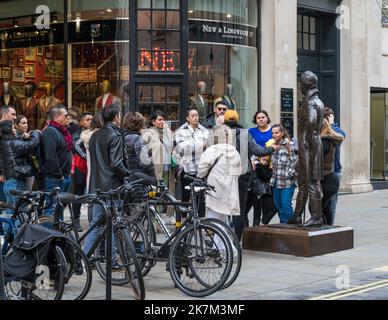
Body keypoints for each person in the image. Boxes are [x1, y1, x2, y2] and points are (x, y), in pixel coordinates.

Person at [83, 104, 131, 256]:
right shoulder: (115, 136)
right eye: (120, 115)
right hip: (111, 186)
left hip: (97, 184)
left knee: (96, 223)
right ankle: (111, 259)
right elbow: (116, 163)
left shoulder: (95, 135)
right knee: (113, 223)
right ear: (116, 117)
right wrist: (128, 174)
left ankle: (85, 257)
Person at [223, 110, 277, 241]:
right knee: (240, 208)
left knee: (224, 207)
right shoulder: (244, 134)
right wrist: (272, 148)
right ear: (236, 120)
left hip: (225, 174)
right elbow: (258, 151)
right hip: (243, 174)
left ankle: (221, 240)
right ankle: (237, 240)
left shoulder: (220, 133)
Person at [288, 71, 325, 228]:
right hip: (310, 144)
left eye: (302, 83)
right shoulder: (316, 100)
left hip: (309, 145)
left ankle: (316, 217)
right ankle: (297, 215)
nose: (300, 86)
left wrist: (307, 143)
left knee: (311, 181)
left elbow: (311, 121)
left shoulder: (310, 103)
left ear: (308, 85)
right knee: (303, 181)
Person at [197, 125, 242, 254]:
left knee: (214, 220)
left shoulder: (211, 151)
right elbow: (238, 171)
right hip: (230, 191)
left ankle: (227, 249)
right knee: (223, 220)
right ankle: (220, 247)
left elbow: (201, 171)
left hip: (214, 189)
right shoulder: (234, 151)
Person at [174, 108, 209, 217]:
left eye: (197, 115)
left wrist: (193, 145)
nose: (195, 117)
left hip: (201, 168)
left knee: (200, 196)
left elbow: (208, 145)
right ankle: (183, 221)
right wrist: (199, 145)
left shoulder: (204, 130)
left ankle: (201, 220)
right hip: (187, 167)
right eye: (193, 116)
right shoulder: (181, 131)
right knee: (185, 195)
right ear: (187, 118)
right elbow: (181, 147)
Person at [0, 120, 40, 211]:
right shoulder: (13, 143)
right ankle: (19, 226)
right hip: (16, 182)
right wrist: (35, 133)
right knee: (20, 212)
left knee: (10, 212)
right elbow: (32, 145)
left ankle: (9, 226)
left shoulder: (4, 142)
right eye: (13, 128)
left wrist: (22, 136)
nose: (15, 130)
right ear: (8, 130)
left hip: (8, 182)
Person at [40, 105, 73, 218]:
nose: (68, 118)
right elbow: (51, 156)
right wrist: (58, 175)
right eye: (66, 116)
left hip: (65, 176)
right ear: (58, 117)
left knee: (59, 209)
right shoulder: (50, 132)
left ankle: (59, 234)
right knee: (52, 209)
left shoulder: (63, 132)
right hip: (55, 178)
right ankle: (49, 235)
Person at [270, 125, 298, 224]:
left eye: (276, 133)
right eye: (272, 133)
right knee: (278, 205)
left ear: (282, 133)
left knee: (286, 204)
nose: (274, 135)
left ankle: (291, 226)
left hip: (287, 182)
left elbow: (296, 162)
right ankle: (283, 224)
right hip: (275, 181)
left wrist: (288, 174)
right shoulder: (272, 146)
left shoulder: (289, 145)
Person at [320, 119, 344, 225]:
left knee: (317, 208)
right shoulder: (328, 139)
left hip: (328, 179)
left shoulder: (324, 141)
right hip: (329, 178)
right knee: (326, 207)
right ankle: (328, 227)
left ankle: (327, 228)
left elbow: (315, 158)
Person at [72, 112, 93, 231]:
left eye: (91, 119)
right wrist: (88, 157)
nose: (90, 121)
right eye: (87, 119)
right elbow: (75, 147)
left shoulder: (94, 133)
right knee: (78, 195)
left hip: (91, 168)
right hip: (81, 168)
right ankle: (75, 219)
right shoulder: (77, 135)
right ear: (81, 122)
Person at [142, 110, 174, 182]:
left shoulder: (168, 132)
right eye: (159, 120)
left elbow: (170, 147)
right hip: (155, 168)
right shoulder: (148, 133)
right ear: (153, 121)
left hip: (168, 167)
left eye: (163, 120)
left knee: (167, 189)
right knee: (157, 189)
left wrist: (167, 131)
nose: (162, 122)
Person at [122, 112, 156, 181]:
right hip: (137, 176)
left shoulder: (121, 136)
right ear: (139, 124)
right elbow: (144, 161)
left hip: (125, 176)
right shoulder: (137, 138)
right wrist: (153, 175)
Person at [249, 156, 277, 226]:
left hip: (265, 193)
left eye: (267, 161)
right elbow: (254, 179)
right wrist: (257, 164)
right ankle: (255, 230)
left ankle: (263, 223)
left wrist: (259, 165)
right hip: (256, 193)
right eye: (263, 160)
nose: (265, 162)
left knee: (273, 208)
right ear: (259, 159)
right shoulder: (255, 166)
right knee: (257, 213)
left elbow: (265, 177)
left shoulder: (266, 168)